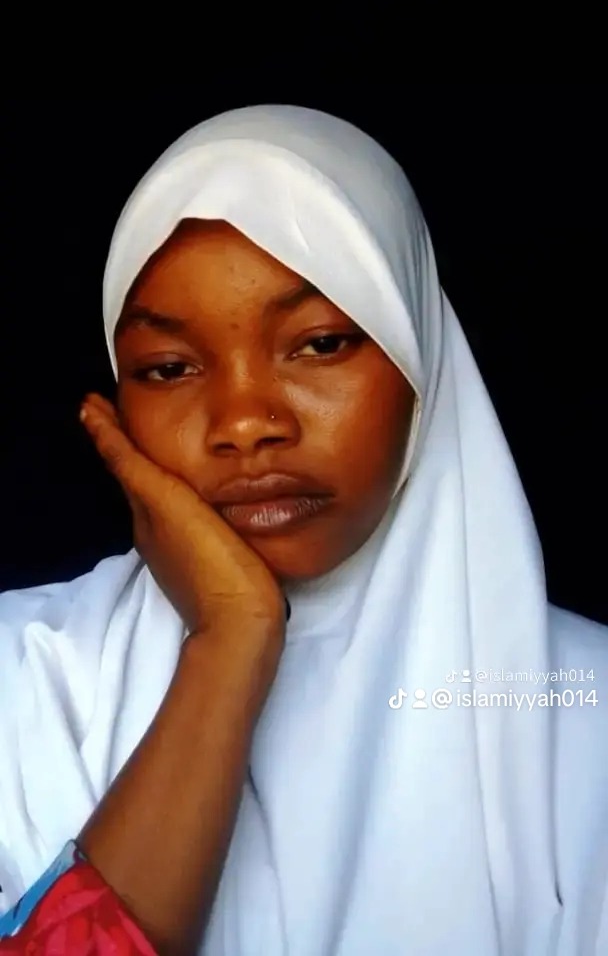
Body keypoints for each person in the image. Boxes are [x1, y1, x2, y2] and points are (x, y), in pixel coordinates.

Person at [1, 105, 607, 956]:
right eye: (169, 368)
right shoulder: (21, 685)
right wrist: (228, 643)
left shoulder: (586, 710)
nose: (246, 423)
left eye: (319, 344)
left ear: (421, 357)